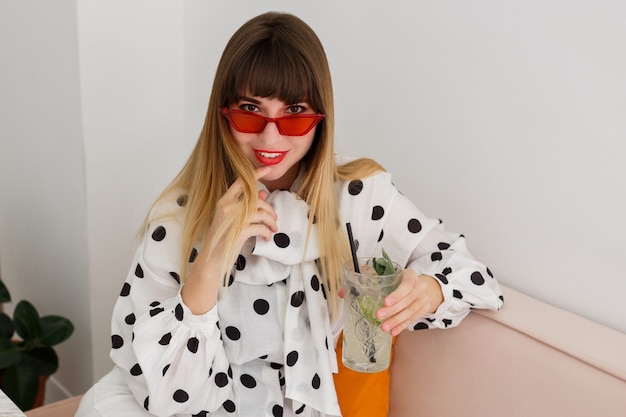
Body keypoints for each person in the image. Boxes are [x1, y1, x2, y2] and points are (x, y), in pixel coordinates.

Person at [75, 11, 503, 417]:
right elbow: (158, 389)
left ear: (320, 119)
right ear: (223, 115)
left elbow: (472, 273)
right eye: (250, 110)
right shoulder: (178, 217)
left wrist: (428, 290)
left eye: (294, 114)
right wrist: (212, 260)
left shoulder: (358, 196)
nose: (270, 135)